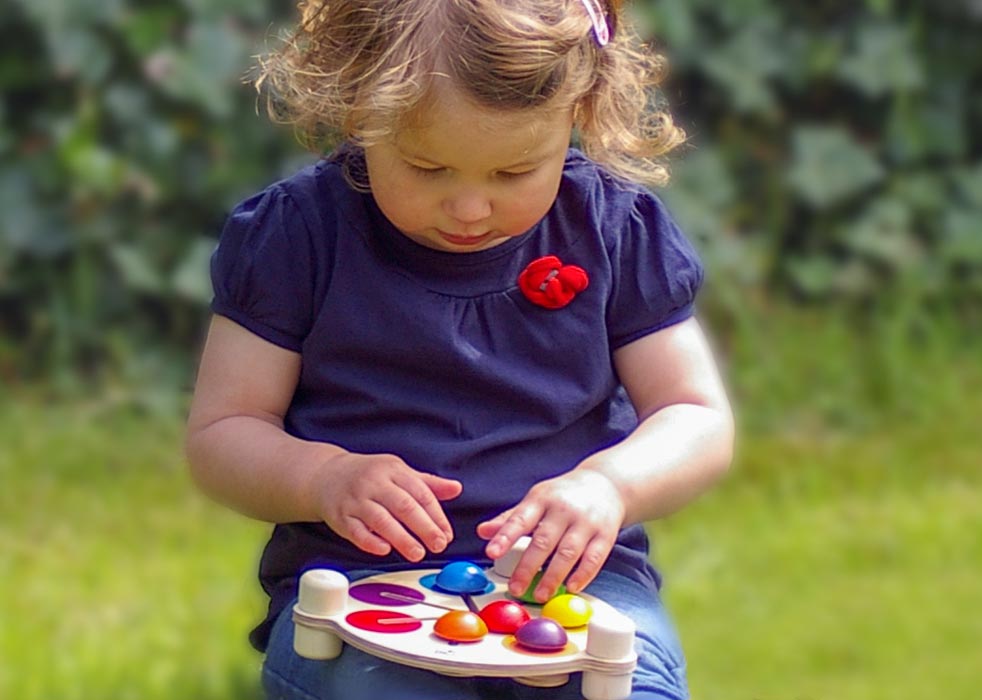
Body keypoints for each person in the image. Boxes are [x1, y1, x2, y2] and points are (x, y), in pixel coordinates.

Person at [185, 0, 734, 697]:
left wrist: (610, 485)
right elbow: (223, 433)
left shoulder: (614, 230)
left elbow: (694, 414)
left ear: (580, 110)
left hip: (572, 581)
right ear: (360, 111)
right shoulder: (298, 235)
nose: (470, 209)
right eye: (426, 168)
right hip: (361, 590)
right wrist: (324, 478)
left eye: (514, 173)